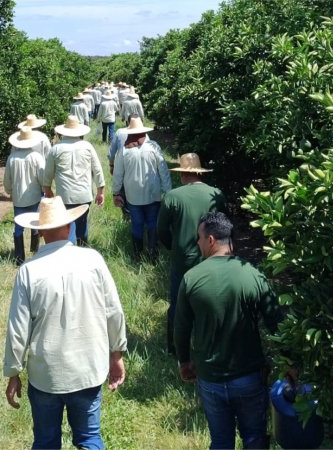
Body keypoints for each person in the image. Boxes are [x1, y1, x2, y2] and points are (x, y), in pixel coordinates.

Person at [4, 197, 127, 450]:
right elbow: (113, 311)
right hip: (87, 369)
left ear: (38, 230)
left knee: (46, 442)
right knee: (89, 438)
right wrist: (116, 354)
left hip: (46, 374)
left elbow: (18, 329)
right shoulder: (93, 260)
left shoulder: (28, 270)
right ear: (69, 226)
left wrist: (13, 372)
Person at [175, 211, 283, 450]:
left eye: (199, 238)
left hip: (210, 378)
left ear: (211, 240)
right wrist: (290, 363)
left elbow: (181, 327)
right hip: (249, 377)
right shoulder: (252, 273)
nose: (197, 243)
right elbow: (277, 321)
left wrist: (184, 361)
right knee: (254, 438)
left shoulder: (191, 278)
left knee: (221, 441)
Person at [157, 153, 225, 354]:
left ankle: (175, 348)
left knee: (179, 305)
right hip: (212, 257)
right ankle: (213, 345)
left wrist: (173, 247)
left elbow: (162, 230)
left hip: (183, 259)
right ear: (199, 173)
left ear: (182, 174)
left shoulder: (173, 197)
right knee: (214, 301)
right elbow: (224, 227)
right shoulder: (217, 194)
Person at [111, 117, 171, 260]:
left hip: (133, 195)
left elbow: (118, 174)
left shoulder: (124, 150)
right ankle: (153, 254)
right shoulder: (153, 146)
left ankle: (137, 254)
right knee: (152, 223)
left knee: (136, 224)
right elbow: (163, 170)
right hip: (153, 194)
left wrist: (115, 193)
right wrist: (168, 192)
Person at [43, 115, 105, 247]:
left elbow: (48, 173)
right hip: (84, 195)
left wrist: (47, 189)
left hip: (64, 196)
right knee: (82, 226)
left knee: (66, 227)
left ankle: (68, 251)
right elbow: (97, 170)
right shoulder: (87, 146)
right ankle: (83, 251)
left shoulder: (56, 149)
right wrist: (101, 191)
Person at [3, 126, 46, 265]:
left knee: (18, 228)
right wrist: (44, 189)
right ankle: (35, 250)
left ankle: (19, 258)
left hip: (18, 198)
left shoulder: (12, 158)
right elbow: (42, 177)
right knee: (35, 223)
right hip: (34, 196)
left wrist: (9, 191)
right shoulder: (36, 157)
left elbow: (7, 179)